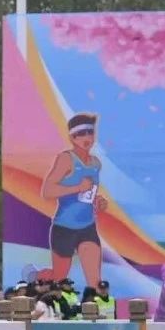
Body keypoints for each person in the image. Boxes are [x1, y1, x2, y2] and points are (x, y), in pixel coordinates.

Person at [40, 112, 108, 288]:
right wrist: (77, 187)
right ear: (72, 137)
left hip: (87, 226)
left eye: (90, 132)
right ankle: (36, 279)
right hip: (64, 228)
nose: (86, 137)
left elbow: (88, 195)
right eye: (81, 133)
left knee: (96, 284)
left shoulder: (95, 164)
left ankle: (95, 313)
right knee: (59, 280)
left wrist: (98, 202)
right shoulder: (66, 159)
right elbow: (47, 190)